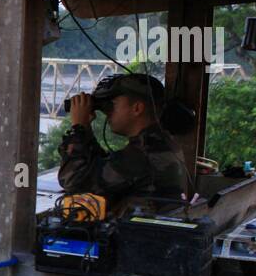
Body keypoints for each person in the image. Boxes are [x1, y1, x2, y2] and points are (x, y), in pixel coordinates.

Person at [58, 72, 186, 207]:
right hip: (148, 225)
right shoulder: (160, 143)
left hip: (134, 227)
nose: (107, 112)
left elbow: (74, 182)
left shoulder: (143, 154)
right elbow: (102, 169)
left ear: (137, 108)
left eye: (111, 104)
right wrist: (86, 131)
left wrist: (78, 127)